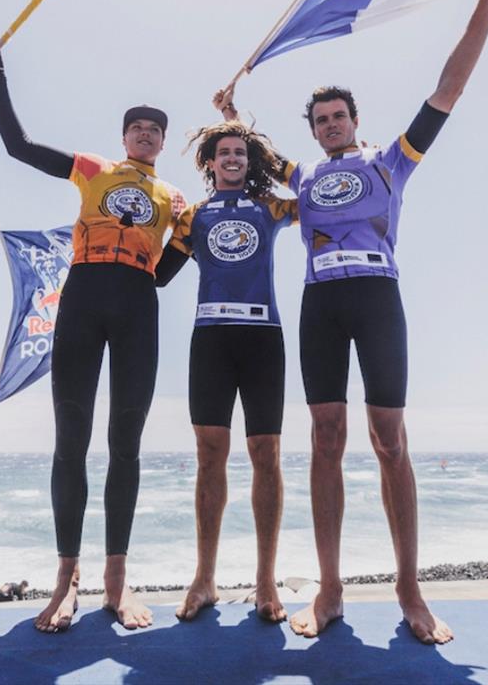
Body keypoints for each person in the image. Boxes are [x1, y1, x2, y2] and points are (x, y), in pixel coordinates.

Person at [237, 0, 488, 643]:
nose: (331, 124)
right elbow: (245, 151)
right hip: (320, 305)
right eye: (321, 120)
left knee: (390, 438)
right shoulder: (302, 176)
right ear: (311, 132)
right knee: (326, 438)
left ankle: (408, 589)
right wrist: (232, 115)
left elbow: (449, 89)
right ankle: (331, 589)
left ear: (355, 121)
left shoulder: (390, 161)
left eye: (339, 116)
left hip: (377, 299)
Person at [0, 45, 185, 633]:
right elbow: (20, 147)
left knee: (126, 443)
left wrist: (188, 234)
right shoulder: (93, 169)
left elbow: (169, 270)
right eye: (137, 127)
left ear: (163, 144)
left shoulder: (173, 199)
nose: (145, 135)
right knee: (71, 438)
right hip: (84, 299)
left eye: (154, 130)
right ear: (124, 138)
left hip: (138, 306)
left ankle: (117, 581)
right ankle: (66, 580)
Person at [155, 115, 297, 623]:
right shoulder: (192, 216)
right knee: (209, 452)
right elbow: (159, 277)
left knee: (266, 453)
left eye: (240, 152)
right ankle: (204, 579)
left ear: (249, 161)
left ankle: (265, 582)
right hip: (211, 340)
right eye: (225, 153)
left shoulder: (271, 206)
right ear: (210, 163)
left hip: (263, 338)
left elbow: (319, 204)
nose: (233, 158)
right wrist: (161, 221)